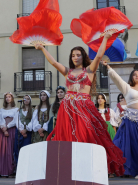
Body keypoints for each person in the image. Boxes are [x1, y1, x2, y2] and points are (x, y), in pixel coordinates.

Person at [35, 31, 125, 176]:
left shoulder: (89, 70)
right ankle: (71, 169)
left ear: (83, 56)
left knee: (87, 137)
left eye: (78, 55)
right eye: (73, 55)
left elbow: (99, 55)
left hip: (84, 108)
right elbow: (53, 62)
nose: (75, 57)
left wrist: (106, 38)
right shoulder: (67, 71)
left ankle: (90, 168)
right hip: (67, 108)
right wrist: (43, 48)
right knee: (68, 138)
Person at [0, 92, 18, 177]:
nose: (8, 98)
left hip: (12, 130)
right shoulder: (1, 110)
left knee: (11, 150)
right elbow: (0, 119)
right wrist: (3, 128)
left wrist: (8, 127)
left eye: (9, 97)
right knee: (3, 151)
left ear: (12, 98)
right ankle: (3, 171)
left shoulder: (16, 109)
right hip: (3, 131)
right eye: (6, 97)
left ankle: (11, 171)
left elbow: (15, 120)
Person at [14, 95, 33, 165]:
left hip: (28, 133)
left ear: (30, 101)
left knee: (26, 149)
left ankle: (26, 166)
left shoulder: (33, 111)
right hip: (19, 132)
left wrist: (26, 129)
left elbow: (32, 121)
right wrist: (22, 130)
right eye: (25, 99)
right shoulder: (19, 110)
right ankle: (18, 166)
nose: (26, 100)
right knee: (18, 149)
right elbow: (17, 121)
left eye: (28, 99)